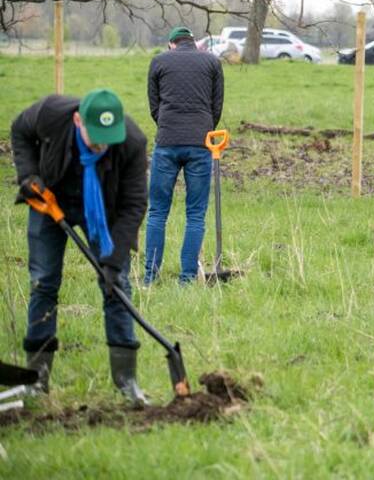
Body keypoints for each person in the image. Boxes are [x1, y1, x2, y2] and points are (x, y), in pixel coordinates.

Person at [10, 89, 150, 405]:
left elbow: (134, 204)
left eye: (108, 137)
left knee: (117, 286)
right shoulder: (50, 113)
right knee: (44, 282)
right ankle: (37, 380)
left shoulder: (131, 142)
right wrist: (28, 175)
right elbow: (20, 130)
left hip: (102, 210)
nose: (103, 145)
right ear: (77, 120)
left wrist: (113, 261)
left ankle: (126, 382)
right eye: (95, 136)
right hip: (51, 201)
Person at [144, 26, 225, 284]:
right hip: (201, 143)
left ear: (171, 44)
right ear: (194, 43)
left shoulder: (158, 61)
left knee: (157, 212)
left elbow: (153, 105)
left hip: (167, 142)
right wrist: (202, 128)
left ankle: (150, 277)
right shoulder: (212, 62)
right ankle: (187, 278)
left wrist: (168, 126)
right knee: (195, 214)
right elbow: (217, 105)